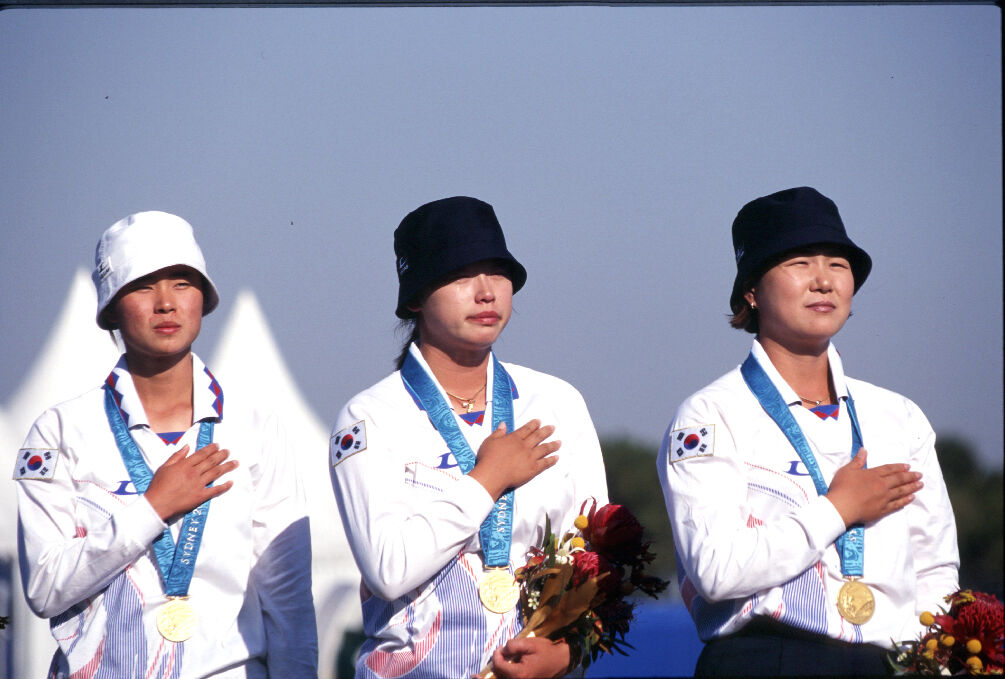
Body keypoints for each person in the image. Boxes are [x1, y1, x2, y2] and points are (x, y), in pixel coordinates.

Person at [657, 187, 959, 675]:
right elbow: (715, 570)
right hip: (765, 657)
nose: (823, 281)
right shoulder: (710, 414)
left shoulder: (898, 416)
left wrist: (937, 662)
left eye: (838, 265)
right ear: (751, 291)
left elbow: (936, 567)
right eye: (800, 263)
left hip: (892, 664)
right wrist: (839, 508)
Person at [14, 211, 318, 678]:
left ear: (204, 298)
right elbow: (43, 588)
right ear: (111, 308)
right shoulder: (59, 431)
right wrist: (151, 507)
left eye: (181, 283)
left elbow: (288, 598)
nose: (165, 304)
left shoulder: (255, 425)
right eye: (141, 286)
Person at [329, 196, 609, 679]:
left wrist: (566, 654)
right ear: (415, 296)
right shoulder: (370, 417)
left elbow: (599, 559)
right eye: (460, 275)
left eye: (498, 273)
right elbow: (388, 569)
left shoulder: (557, 401)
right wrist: (487, 480)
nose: (486, 293)